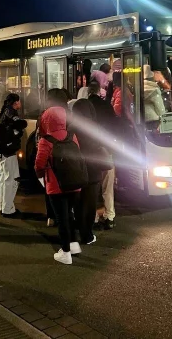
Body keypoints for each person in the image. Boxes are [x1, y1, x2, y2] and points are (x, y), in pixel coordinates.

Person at [34, 106, 82, 264]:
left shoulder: (45, 140)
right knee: (70, 214)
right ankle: (74, 244)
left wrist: (41, 177)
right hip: (75, 183)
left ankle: (65, 253)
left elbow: (39, 164)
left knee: (62, 218)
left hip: (56, 185)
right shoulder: (72, 135)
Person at [70, 98, 106, 246]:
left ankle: (79, 229)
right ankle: (87, 235)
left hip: (76, 170)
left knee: (78, 203)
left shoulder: (71, 127)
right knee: (90, 205)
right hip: (93, 171)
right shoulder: (96, 127)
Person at [37, 88, 70, 227]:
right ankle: (67, 217)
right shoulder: (68, 115)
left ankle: (52, 216)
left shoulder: (44, 115)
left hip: (50, 160)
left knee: (50, 189)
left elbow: (42, 136)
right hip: (68, 159)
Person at [87, 81, 117, 230]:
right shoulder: (106, 106)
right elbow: (115, 126)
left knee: (93, 187)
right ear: (99, 91)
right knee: (108, 186)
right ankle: (110, 216)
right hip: (107, 151)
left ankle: (93, 218)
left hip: (91, 152)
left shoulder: (85, 106)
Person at [0, 93, 27, 218]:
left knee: (4, 179)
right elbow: (19, 124)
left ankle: (4, 206)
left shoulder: (5, 112)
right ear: (16, 102)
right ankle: (8, 209)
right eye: (19, 101)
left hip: (1, 150)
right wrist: (21, 127)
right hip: (7, 151)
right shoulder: (10, 112)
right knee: (11, 179)